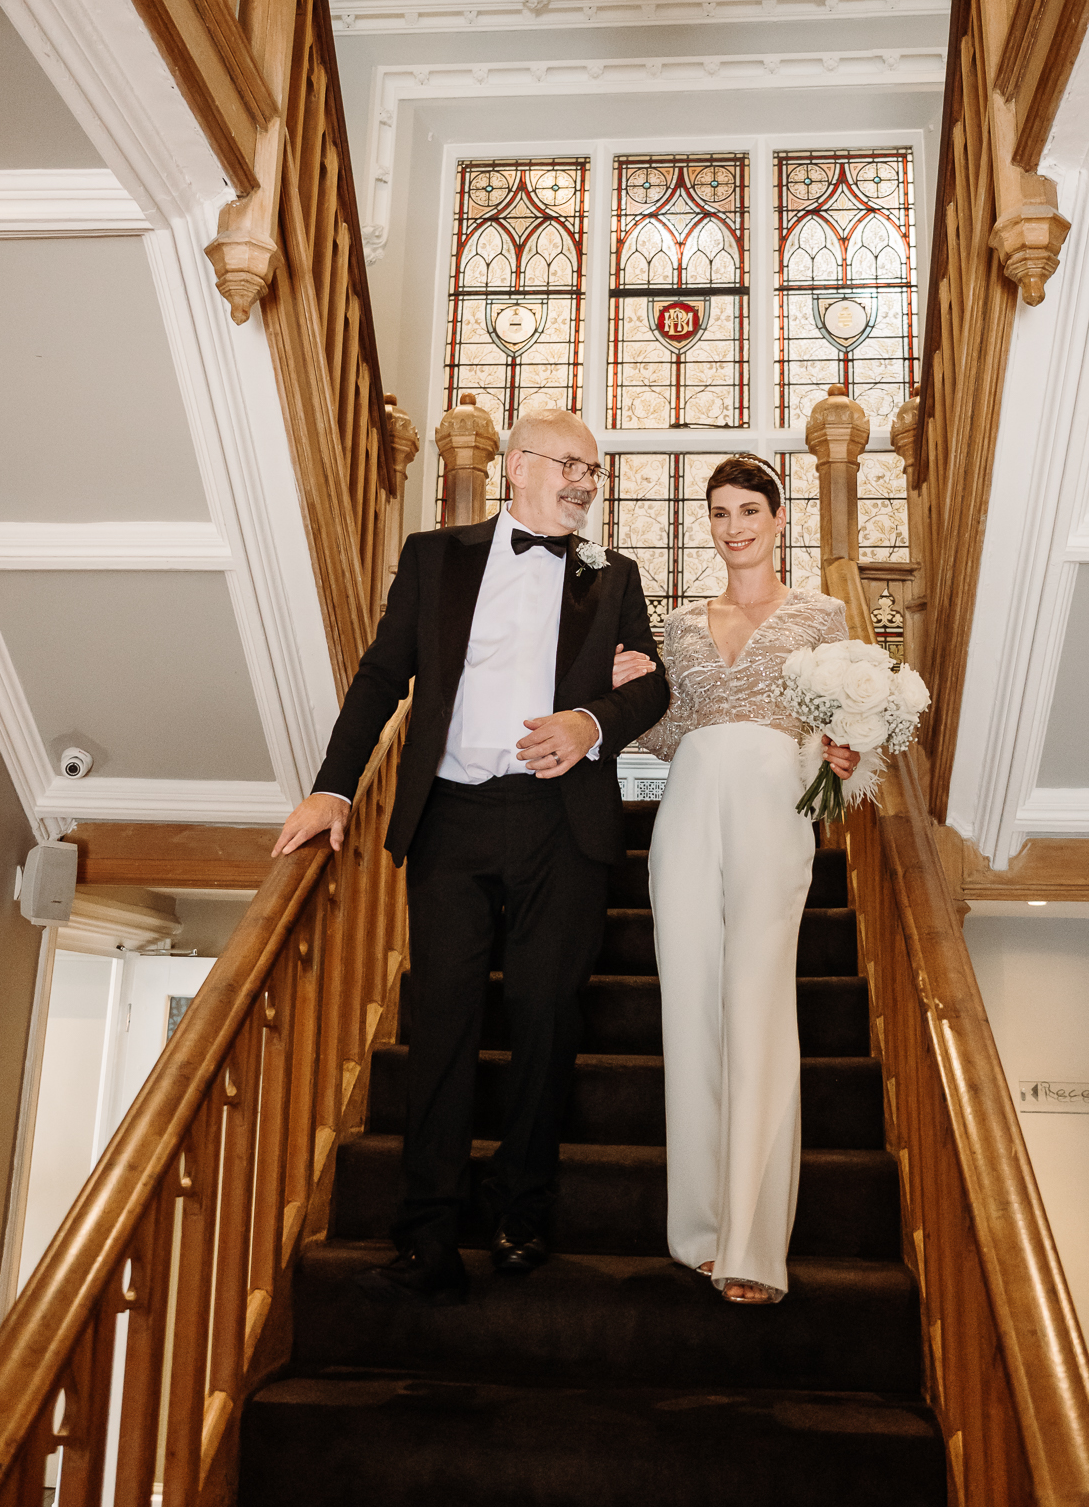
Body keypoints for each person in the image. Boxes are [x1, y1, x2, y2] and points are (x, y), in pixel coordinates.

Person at [272, 406, 668, 1306]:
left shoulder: (613, 577)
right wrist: (333, 787)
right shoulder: (433, 556)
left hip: (559, 827)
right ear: (519, 466)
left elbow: (653, 687)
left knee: (545, 1019)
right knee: (442, 1021)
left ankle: (522, 1214)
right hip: (449, 818)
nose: (584, 482)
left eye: (593, 471)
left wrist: (590, 723)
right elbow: (381, 676)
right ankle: (425, 1230)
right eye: (570, 463)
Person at [623, 456, 860, 1305]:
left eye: (748, 509)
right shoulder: (680, 623)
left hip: (774, 806)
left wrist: (845, 748)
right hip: (686, 806)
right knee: (689, 1009)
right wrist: (630, 694)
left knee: (758, 1005)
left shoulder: (823, 613)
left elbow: (844, 725)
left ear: (778, 516)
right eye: (719, 512)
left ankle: (754, 1246)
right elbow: (666, 733)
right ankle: (697, 1229)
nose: (733, 526)